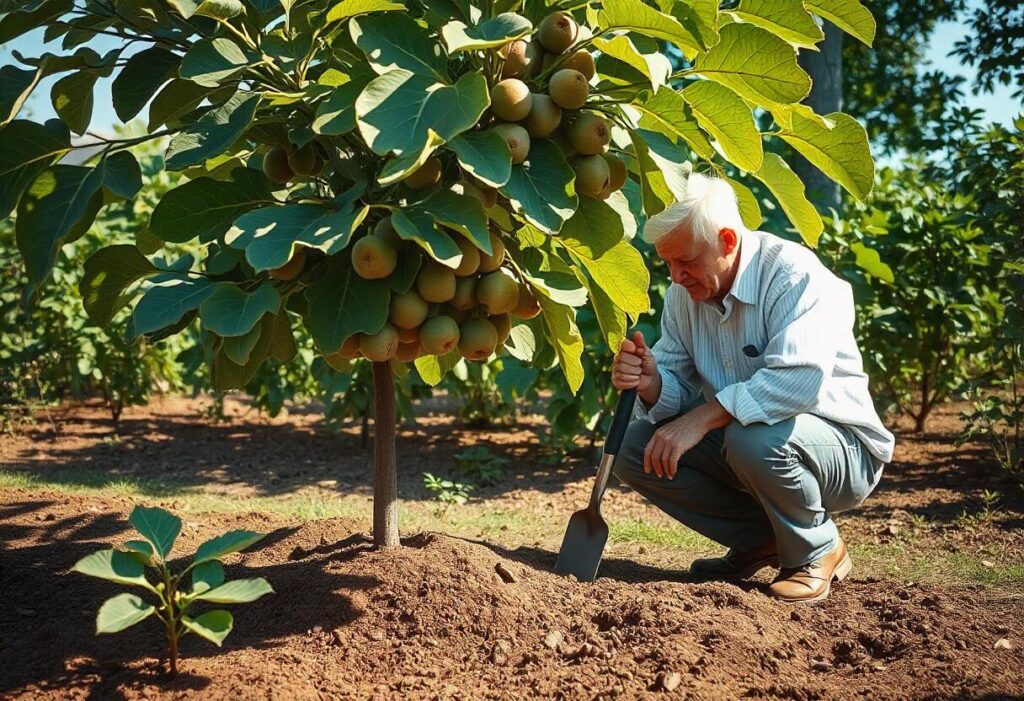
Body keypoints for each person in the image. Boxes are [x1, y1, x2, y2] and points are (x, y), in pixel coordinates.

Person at [611, 173, 895, 603]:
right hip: (752, 445)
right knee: (634, 448)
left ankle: (818, 547)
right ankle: (764, 541)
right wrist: (651, 382)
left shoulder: (793, 275)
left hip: (843, 450)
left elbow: (797, 382)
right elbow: (675, 387)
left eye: (686, 261)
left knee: (752, 435)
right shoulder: (682, 298)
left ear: (727, 240)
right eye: (667, 264)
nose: (676, 276)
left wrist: (701, 419)